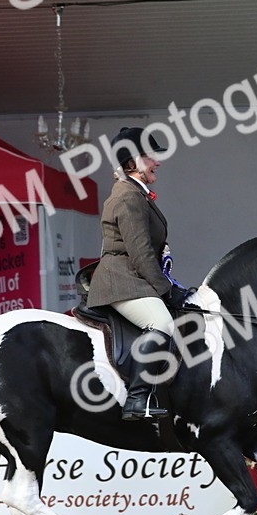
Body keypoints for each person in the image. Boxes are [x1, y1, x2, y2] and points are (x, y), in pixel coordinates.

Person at [88, 127, 186, 421]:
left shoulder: (136, 194)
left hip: (132, 277)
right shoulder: (129, 197)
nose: (158, 161)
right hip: (122, 281)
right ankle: (137, 398)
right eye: (151, 156)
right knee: (162, 323)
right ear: (132, 162)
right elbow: (140, 253)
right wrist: (166, 289)